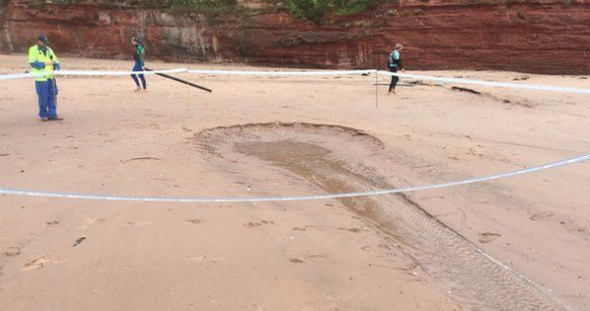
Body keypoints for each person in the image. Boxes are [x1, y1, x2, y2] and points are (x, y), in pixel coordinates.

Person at [28, 34, 62, 121]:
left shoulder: (49, 50)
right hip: (41, 78)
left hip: (50, 77)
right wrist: (45, 64)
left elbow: (56, 61)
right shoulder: (33, 50)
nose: (45, 44)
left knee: (53, 95)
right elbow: (32, 63)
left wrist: (57, 66)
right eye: (44, 42)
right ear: (39, 41)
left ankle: (52, 114)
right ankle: (43, 114)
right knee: (43, 97)